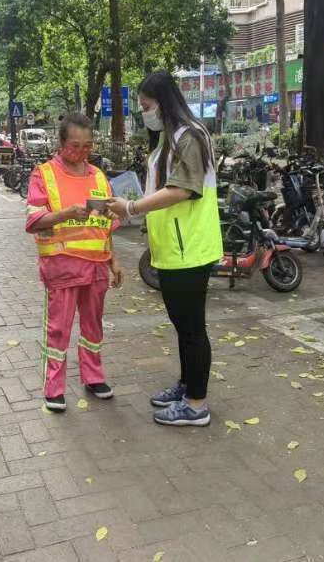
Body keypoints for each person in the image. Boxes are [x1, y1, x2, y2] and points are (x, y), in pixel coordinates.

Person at [107, 70, 222, 427]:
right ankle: (188, 386)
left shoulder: (190, 136)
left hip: (191, 249)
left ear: (164, 102)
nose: (145, 113)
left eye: (147, 106)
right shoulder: (168, 139)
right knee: (182, 324)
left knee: (192, 327)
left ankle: (196, 404)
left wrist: (131, 207)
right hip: (173, 248)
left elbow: (183, 190)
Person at [25, 112, 123, 412]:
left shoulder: (98, 176)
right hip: (62, 265)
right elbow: (34, 220)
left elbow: (105, 224)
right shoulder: (43, 175)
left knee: (93, 326)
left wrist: (114, 260)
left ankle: (94, 377)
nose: (81, 152)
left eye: (87, 146)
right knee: (58, 328)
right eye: (74, 146)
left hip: (96, 266)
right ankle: (54, 387)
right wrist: (66, 213)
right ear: (61, 142)